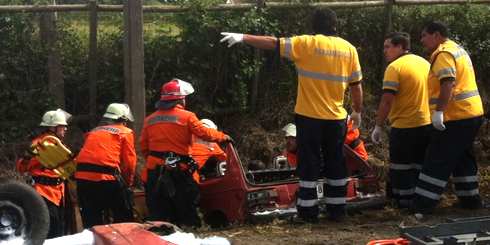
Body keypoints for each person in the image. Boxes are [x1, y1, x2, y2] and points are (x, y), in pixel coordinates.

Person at [220, 8, 363, 222]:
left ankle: (307, 213)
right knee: (335, 162)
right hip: (336, 118)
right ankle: (337, 211)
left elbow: (272, 42)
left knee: (309, 163)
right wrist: (358, 111)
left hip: (309, 117)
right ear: (335, 25)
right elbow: (356, 86)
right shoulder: (349, 49)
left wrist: (243, 37)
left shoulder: (306, 44)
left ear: (314, 25)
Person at [412, 21, 484, 216]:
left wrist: (439, 112)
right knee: (462, 157)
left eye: (424, 35)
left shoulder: (443, 54)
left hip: (455, 116)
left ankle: (422, 205)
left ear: (436, 35)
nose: (422, 40)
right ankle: (470, 200)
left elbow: (447, 83)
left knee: (437, 158)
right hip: (471, 114)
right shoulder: (456, 49)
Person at [140, 78, 232, 228]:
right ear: (181, 100)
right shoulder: (187, 116)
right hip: (179, 171)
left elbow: (144, 146)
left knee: (158, 213)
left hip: (154, 172)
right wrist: (223, 137)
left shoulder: (149, 119)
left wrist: (155, 160)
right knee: (187, 210)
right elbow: (204, 133)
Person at [370, 32, 431, 208]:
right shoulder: (424, 63)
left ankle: (404, 203)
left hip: (404, 126)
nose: (384, 51)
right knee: (419, 166)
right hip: (426, 124)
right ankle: (419, 201)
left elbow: (387, 100)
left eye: (388, 47)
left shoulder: (395, 67)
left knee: (401, 167)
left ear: (400, 47)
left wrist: (378, 126)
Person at [75, 103, 137, 228]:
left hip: (82, 179)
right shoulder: (125, 132)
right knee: (123, 218)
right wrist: (128, 183)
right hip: (107, 179)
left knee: (92, 221)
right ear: (123, 119)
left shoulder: (94, 132)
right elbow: (129, 162)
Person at [16, 109, 71, 238]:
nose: (66, 129)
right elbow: (22, 167)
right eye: (63, 126)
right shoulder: (41, 144)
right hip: (45, 193)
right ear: (53, 127)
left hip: (58, 192)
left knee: (59, 231)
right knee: (51, 232)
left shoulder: (56, 143)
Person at [277, 122, 367, 169]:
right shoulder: (287, 155)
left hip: (355, 158)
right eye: (287, 138)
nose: (288, 142)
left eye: (292, 138)